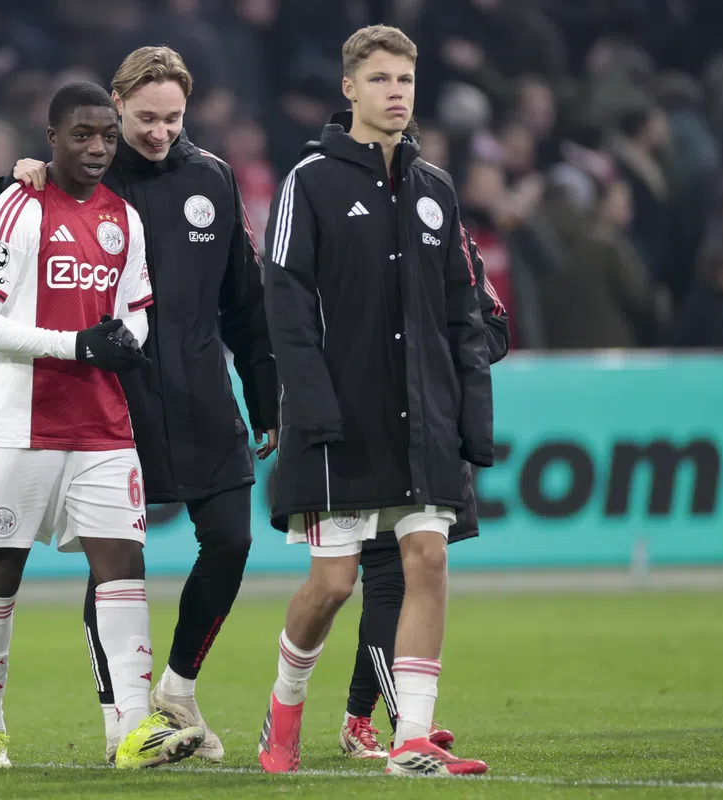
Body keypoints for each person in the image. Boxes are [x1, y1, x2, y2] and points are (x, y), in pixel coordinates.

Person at [0, 46, 278, 764]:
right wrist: (11, 185)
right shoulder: (78, 176)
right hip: (116, 399)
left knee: (231, 540)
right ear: (115, 107)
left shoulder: (213, 179)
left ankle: (178, 685)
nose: (160, 131)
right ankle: (122, 720)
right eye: (145, 118)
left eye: (173, 118)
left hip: (203, 397)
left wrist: (265, 398)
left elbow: (245, 302)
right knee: (113, 561)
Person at [258, 25, 493, 778]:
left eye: (406, 80)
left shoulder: (436, 189)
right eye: (382, 79)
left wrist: (469, 415)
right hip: (340, 424)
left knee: (428, 559)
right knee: (332, 584)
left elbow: (463, 314)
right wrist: (312, 407)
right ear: (349, 88)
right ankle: (285, 705)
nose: (397, 92)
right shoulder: (309, 182)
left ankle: (411, 737)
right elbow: (284, 304)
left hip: (421, 419)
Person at [0, 81, 204, 771]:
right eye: (82, 135)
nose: (97, 147)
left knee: (123, 566)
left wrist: (124, 340)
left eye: (106, 136)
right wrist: (75, 346)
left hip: (103, 424)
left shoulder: (125, 218)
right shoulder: (16, 206)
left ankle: (133, 728)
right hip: (19, 424)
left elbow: (135, 309)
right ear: (52, 139)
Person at [339, 228, 508, 760]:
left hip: (431, 431)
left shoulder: (448, 231)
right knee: (385, 578)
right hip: (367, 430)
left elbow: (495, 327)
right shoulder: (342, 222)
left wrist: (433, 357)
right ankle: (405, 722)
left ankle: (366, 717)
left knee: (412, 576)